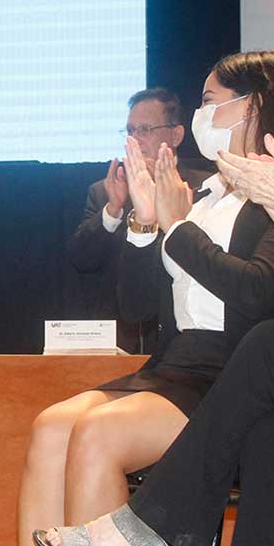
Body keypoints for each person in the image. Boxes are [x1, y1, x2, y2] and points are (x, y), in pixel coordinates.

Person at [18, 51, 274, 546]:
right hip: (172, 365)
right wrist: (143, 223)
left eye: (209, 101)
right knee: (50, 428)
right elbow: (137, 307)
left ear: (253, 104)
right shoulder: (200, 193)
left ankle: (129, 535)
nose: (201, 116)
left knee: (97, 434)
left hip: (230, 373)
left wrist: (176, 228)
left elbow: (256, 289)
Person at [67, 88, 211, 353]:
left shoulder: (206, 187)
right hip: (123, 336)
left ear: (176, 135)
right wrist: (113, 209)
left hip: (186, 334)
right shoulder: (107, 190)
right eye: (130, 131)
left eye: (145, 130)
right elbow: (81, 259)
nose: (135, 139)